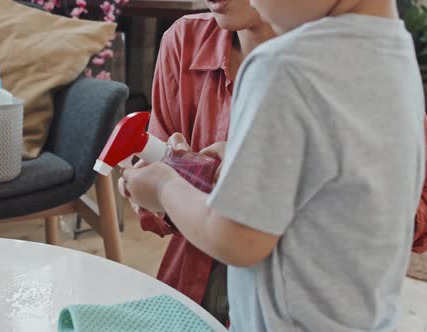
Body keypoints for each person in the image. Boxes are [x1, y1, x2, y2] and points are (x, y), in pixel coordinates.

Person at [121, 0, 425, 330]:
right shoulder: (395, 53)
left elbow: (237, 240)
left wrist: (164, 186)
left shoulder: (282, 66)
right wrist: (246, 159)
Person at [119, 2, 275, 324]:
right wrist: (170, 178)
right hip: (195, 289)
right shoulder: (184, 40)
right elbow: (159, 213)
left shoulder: (339, 65)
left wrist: (167, 187)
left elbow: (402, 221)